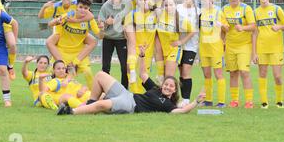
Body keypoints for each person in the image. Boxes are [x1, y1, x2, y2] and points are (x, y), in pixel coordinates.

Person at [56, 44, 206, 116]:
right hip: (127, 94)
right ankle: (90, 104)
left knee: (102, 104)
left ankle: (71, 112)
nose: (167, 87)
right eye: (166, 84)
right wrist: (141, 57)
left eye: (170, 86)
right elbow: (143, 74)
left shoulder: (168, 104)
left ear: (174, 90)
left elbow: (182, 111)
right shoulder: (156, 89)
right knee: (100, 75)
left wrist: (196, 102)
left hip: (130, 105)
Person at [119, 0, 166, 83]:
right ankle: (133, 73)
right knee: (132, 45)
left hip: (150, 22)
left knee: (158, 47)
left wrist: (150, 6)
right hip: (137, 20)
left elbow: (158, 10)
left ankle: (160, 75)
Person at [47, 0, 103, 90]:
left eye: (86, 8)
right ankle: (48, 94)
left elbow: (100, 36)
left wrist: (102, 29)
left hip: (78, 54)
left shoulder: (90, 20)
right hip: (62, 52)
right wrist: (57, 20)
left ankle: (93, 97)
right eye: (80, 7)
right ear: (77, 6)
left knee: (88, 72)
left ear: (89, 9)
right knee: (50, 73)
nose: (82, 10)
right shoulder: (69, 15)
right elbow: (50, 24)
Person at [252, 0, 284, 109]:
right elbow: (254, 33)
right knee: (262, 75)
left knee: (277, 76)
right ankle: (264, 102)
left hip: (276, 48)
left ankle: (279, 101)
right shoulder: (255, 12)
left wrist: (279, 27)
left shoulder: (276, 9)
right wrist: (254, 52)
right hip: (262, 48)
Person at [222, 0, 256, 108]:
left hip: (244, 45)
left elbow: (253, 26)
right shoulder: (224, 9)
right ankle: (234, 101)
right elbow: (222, 27)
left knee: (244, 72)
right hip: (230, 45)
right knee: (233, 73)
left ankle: (249, 101)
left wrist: (243, 28)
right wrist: (223, 28)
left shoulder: (246, 8)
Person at [198, 0, 229, 108]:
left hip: (216, 48)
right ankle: (208, 100)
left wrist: (221, 25)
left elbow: (227, 29)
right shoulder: (200, 12)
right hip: (204, 48)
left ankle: (221, 102)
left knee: (218, 74)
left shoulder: (218, 11)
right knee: (206, 75)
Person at [98, 0, 132, 89]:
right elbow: (100, 23)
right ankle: (105, 89)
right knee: (105, 67)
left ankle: (124, 89)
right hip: (108, 38)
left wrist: (116, 21)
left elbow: (130, 23)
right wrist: (106, 23)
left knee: (124, 67)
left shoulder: (126, 6)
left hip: (122, 39)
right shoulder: (105, 6)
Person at [123, 0, 157, 94]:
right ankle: (134, 94)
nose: (143, 1)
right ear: (137, 2)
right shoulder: (132, 15)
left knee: (143, 74)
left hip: (148, 49)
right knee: (130, 69)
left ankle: (142, 95)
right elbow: (126, 33)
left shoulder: (155, 14)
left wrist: (153, 6)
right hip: (135, 47)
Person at [157, 0, 195, 78]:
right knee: (162, 79)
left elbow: (193, 31)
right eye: (166, 5)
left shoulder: (180, 19)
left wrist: (181, 42)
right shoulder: (160, 16)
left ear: (175, 6)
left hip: (174, 50)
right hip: (162, 51)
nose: (168, 7)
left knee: (168, 77)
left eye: (171, 5)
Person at [176, 0, 199, 106]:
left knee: (186, 72)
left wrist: (182, 41)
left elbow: (195, 30)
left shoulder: (198, 10)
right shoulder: (178, 8)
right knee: (181, 73)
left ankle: (186, 100)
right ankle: (183, 99)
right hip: (178, 46)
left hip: (191, 46)